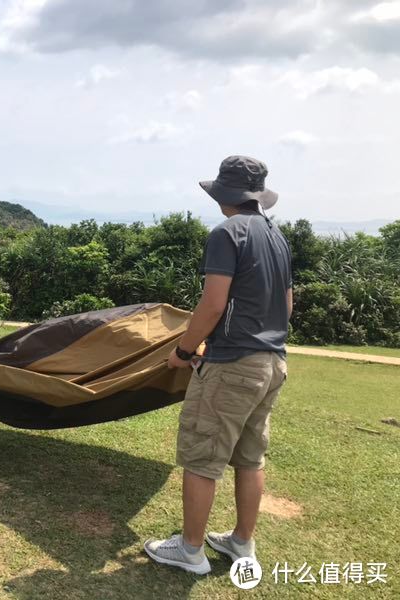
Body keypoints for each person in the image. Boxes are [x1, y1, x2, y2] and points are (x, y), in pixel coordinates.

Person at [143, 156, 293, 575]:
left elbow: (213, 304)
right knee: (250, 457)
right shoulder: (275, 236)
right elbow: (286, 304)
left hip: (233, 364)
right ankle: (242, 542)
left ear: (225, 195)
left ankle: (190, 551)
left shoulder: (227, 234)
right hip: (273, 362)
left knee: (202, 456)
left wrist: (187, 351)